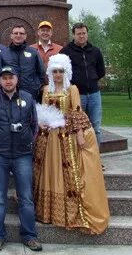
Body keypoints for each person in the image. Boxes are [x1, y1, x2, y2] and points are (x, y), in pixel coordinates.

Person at [34, 54, 110, 235]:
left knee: (66, 172)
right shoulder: (46, 89)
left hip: (65, 138)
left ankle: (69, 213)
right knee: (48, 171)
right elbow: (43, 111)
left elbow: (77, 112)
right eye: (54, 71)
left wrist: (80, 134)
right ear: (50, 73)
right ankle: (47, 213)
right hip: (47, 138)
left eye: (60, 71)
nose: (58, 74)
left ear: (66, 72)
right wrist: (40, 122)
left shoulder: (72, 89)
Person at [0, 66, 42, 252]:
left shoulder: (27, 98)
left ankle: (29, 236)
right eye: (4, 78)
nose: (8, 81)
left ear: (16, 79)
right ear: (0, 81)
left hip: (22, 155)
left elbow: (34, 125)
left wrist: (27, 142)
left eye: (11, 77)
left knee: (25, 197)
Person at [61, 23, 106, 144]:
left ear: (87, 34)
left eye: (84, 33)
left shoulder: (95, 51)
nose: (81, 36)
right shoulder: (65, 52)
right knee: (78, 127)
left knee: (95, 127)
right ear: (73, 35)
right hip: (77, 95)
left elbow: (101, 71)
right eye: (78, 34)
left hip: (94, 94)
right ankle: (80, 160)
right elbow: (61, 73)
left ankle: (96, 160)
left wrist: (92, 79)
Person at [0, 25, 46, 103]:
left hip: (31, 93)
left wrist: (36, 87)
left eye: (21, 33)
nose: (18, 35)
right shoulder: (4, 53)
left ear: (25, 36)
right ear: (11, 36)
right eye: (16, 33)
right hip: (10, 93)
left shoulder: (33, 52)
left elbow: (41, 72)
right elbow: (0, 73)